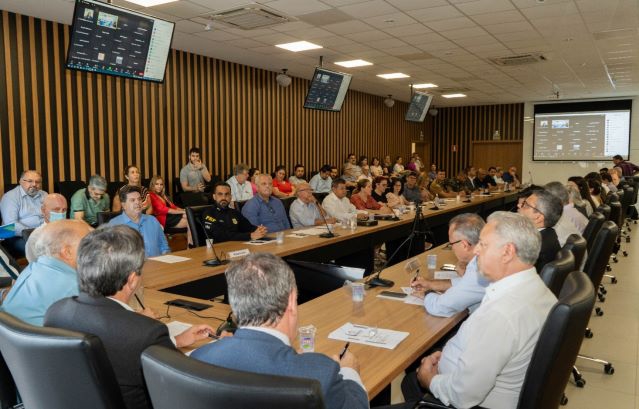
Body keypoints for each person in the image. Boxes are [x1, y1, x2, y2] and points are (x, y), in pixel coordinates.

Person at [44, 225, 214, 409]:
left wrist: (175, 341)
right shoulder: (145, 332)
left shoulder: (56, 312)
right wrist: (219, 349)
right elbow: (184, 389)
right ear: (132, 280)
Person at [400, 211, 557, 409]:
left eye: (483, 244)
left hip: (473, 403)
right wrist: (448, 353)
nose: (476, 251)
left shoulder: (502, 314)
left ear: (507, 252)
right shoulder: (538, 290)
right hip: (484, 385)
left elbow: (462, 394)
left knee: (411, 381)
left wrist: (429, 379)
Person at [191, 253, 368, 409]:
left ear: (235, 305)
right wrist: (349, 371)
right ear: (291, 301)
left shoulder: (199, 358)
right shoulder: (320, 374)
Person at [1, 220, 91, 326]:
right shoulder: (78, 287)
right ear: (67, 252)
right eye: (88, 243)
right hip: (38, 340)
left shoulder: (32, 268)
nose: (94, 249)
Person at [410, 214, 489, 317]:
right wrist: (430, 284)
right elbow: (465, 284)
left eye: (451, 244)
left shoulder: (480, 270)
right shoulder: (485, 257)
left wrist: (426, 294)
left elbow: (440, 307)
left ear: (464, 245)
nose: (452, 248)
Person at [109, 186, 170, 257]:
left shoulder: (152, 220)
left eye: (139, 199)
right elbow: (112, 255)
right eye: (132, 200)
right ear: (123, 205)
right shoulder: (114, 225)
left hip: (157, 265)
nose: (137, 202)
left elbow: (164, 246)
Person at [0, 170, 48, 258]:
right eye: (30, 181)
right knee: (39, 251)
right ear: (21, 181)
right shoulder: (10, 197)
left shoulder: (44, 195)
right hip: (15, 236)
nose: (34, 184)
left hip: (42, 234)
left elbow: (51, 215)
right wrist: (34, 233)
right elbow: (11, 225)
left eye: (37, 182)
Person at [518, 189, 562, 272]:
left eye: (525, 205)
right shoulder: (549, 234)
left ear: (538, 217)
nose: (519, 205)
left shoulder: (532, 249)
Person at [25, 193, 68, 262]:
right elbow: (34, 263)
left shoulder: (71, 230)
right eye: (56, 209)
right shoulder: (36, 236)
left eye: (64, 210)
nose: (61, 213)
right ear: (43, 210)